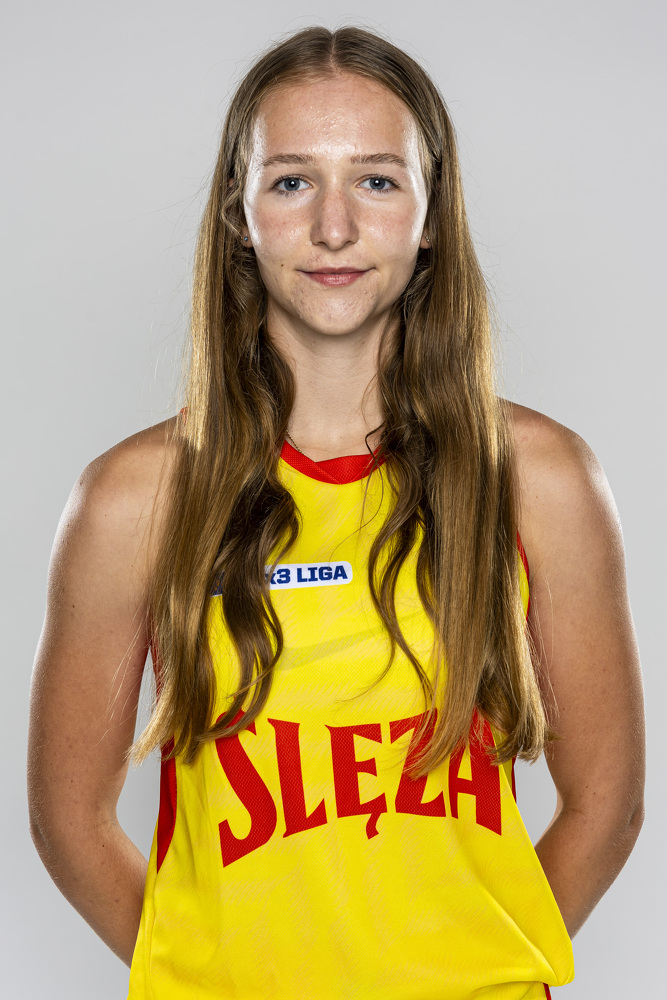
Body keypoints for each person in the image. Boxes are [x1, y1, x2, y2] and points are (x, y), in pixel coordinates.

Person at [27, 25, 645, 1000]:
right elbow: (69, 820)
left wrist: (478, 971)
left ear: (430, 213)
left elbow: (605, 804)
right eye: (291, 182)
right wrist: (212, 976)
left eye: (376, 181)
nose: (333, 228)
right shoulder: (133, 499)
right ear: (238, 212)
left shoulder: (539, 478)